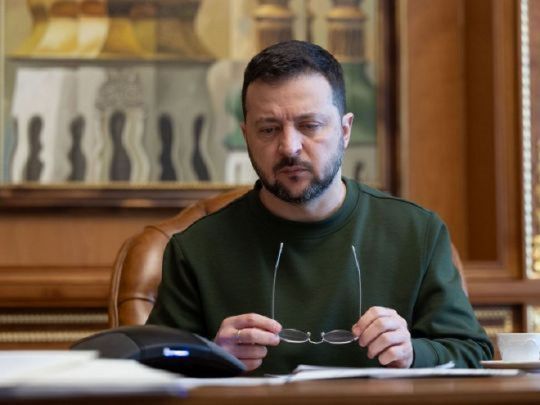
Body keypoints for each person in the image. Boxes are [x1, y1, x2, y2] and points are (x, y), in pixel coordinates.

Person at [147, 40, 493, 374]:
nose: (289, 147)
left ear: (345, 130)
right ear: (247, 135)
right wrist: (211, 357)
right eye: (268, 129)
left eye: (309, 126)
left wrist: (412, 353)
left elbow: (472, 352)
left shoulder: (417, 233)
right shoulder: (195, 250)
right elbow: (152, 368)